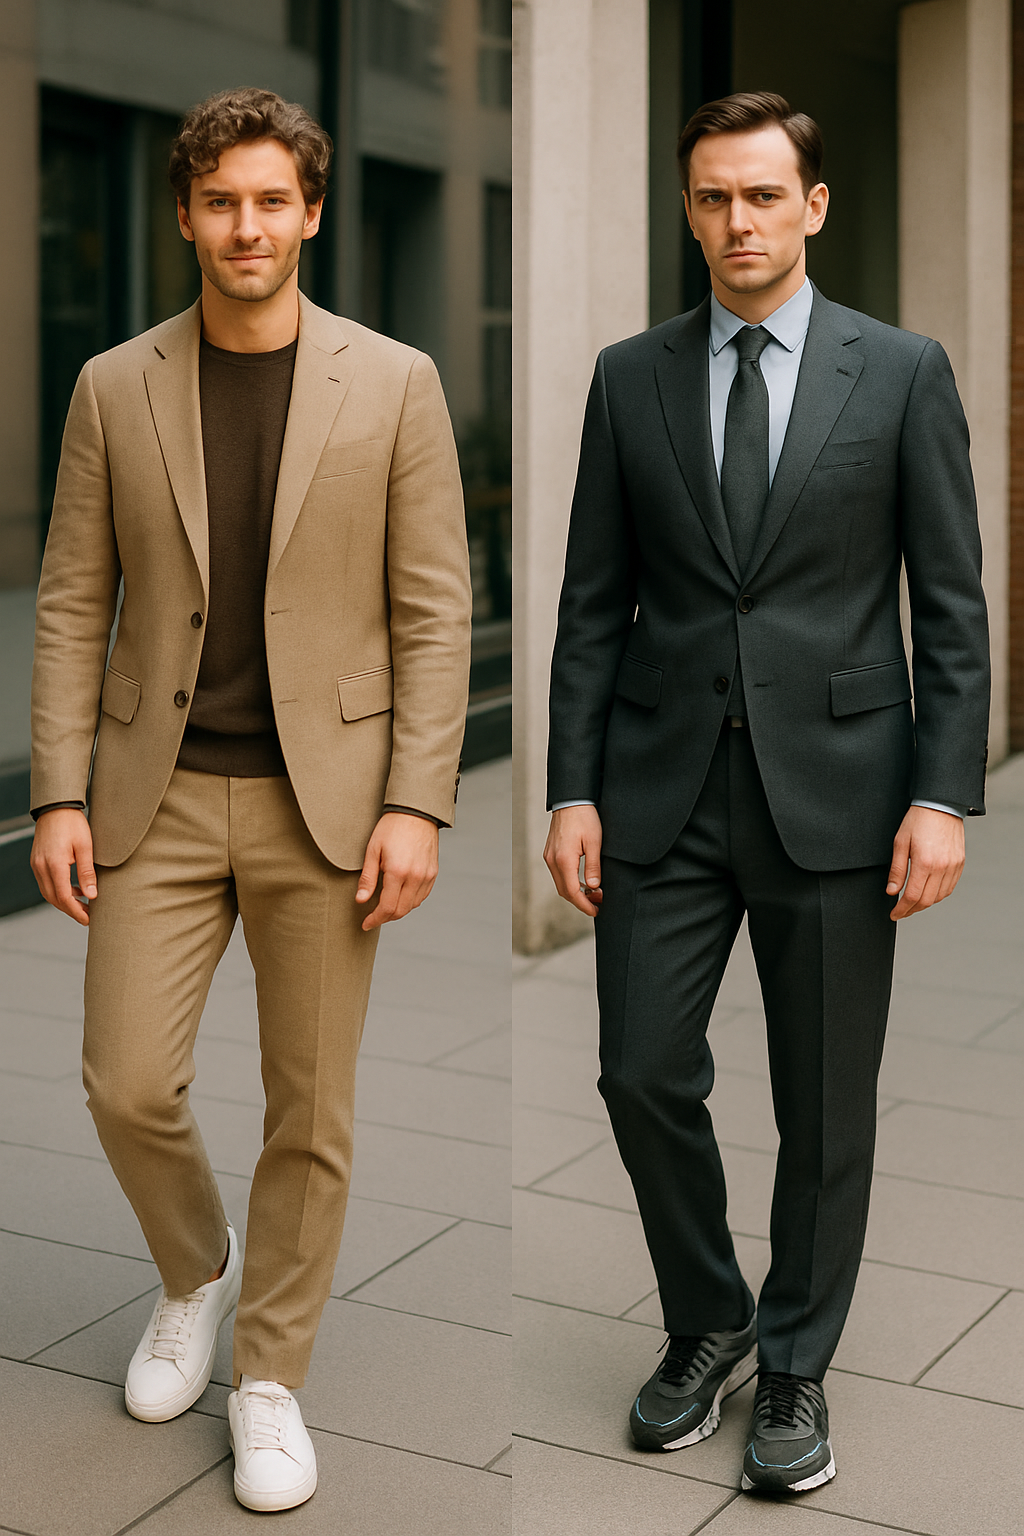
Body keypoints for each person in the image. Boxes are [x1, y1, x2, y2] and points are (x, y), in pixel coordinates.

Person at [30, 87, 471, 1514]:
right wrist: (55, 795)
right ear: (184, 213)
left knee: (311, 1106)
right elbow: (72, 600)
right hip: (154, 796)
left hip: (327, 807)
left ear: (313, 213)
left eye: (272, 200)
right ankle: (197, 1272)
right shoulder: (113, 385)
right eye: (221, 200)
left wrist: (420, 801)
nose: (246, 225)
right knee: (125, 1083)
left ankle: (270, 1373)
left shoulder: (393, 382)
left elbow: (434, 613)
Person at [544, 92, 989, 1495]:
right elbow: (589, 606)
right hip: (661, 789)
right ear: (690, 212)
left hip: (843, 794)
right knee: (638, 1069)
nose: (737, 222)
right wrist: (569, 788)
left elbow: (956, 607)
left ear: (813, 204)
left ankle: (794, 1362)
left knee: (824, 1102)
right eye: (712, 200)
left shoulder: (902, 370)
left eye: (760, 195)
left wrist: (942, 796)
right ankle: (711, 1313)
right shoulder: (632, 378)